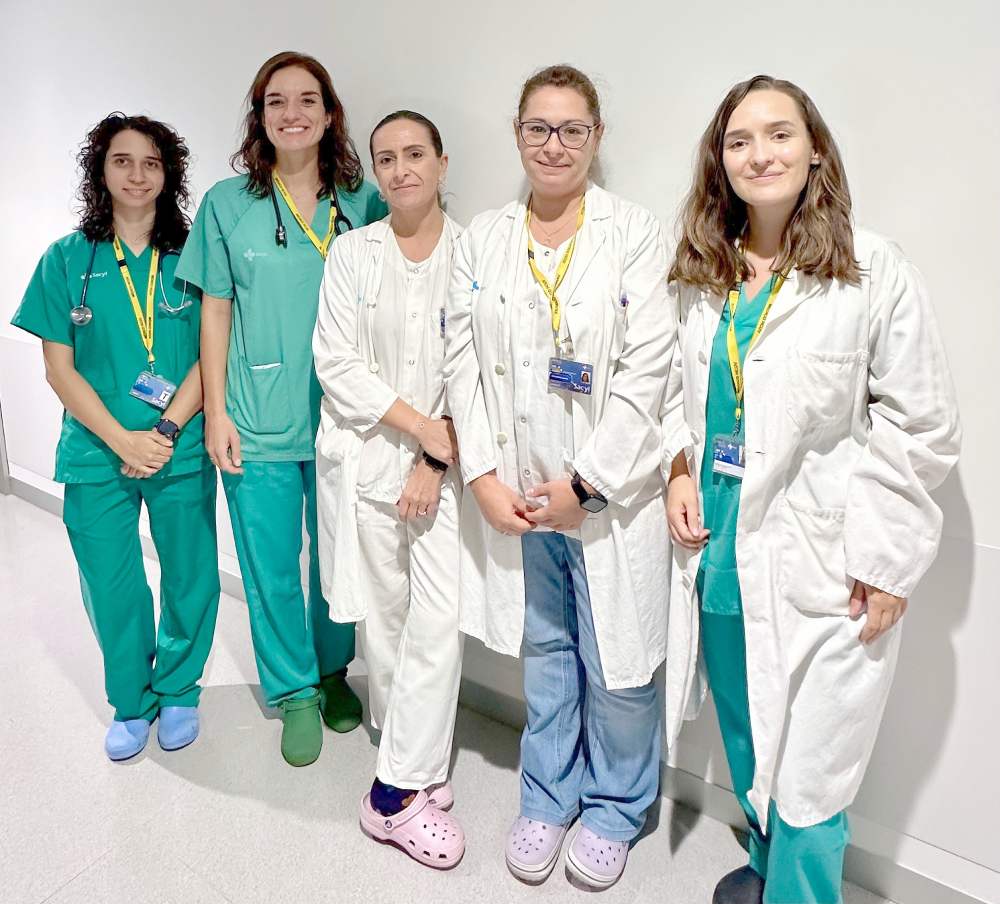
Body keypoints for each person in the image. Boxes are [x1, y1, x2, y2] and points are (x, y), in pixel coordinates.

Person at [662, 75, 961, 904]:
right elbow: (672, 395)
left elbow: (922, 424)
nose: (760, 154)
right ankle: (766, 871)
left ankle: (800, 892)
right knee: (749, 735)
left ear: (815, 149)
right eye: (739, 140)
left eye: (779, 133)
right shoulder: (701, 272)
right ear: (719, 161)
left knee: (813, 770)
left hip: (828, 564)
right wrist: (678, 469)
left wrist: (887, 562)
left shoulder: (871, 269)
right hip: (719, 553)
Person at [444, 64, 674, 889]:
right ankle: (547, 796)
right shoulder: (483, 237)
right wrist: (481, 477)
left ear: (596, 137)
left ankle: (615, 807)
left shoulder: (634, 233)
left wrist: (589, 484)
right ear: (517, 134)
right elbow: (460, 362)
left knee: (617, 658)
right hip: (520, 494)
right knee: (545, 652)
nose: (554, 145)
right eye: (538, 128)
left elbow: (651, 370)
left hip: (605, 499)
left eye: (572, 129)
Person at [176, 51, 387, 767]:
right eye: (276, 101)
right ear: (260, 117)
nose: (291, 113)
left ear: (329, 114)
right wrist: (215, 413)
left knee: (337, 555)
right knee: (269, 562)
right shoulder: (226, 204)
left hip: (345, 417)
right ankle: (293, 689)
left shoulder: (364, 202)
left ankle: (331, 671)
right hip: (255, 413)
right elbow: (215, 310)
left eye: (306, 100)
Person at [11, 113, 220, 761]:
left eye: (151, 163)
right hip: (96, 450)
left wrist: (163, 428)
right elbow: (59, 368)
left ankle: (179, 689)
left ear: (169, 174)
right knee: (110, 581)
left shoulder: (193, 257)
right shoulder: (67, 259)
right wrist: (123, 439)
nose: (137, 175)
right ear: (100, 171)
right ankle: (132, 700)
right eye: (122, 161)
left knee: (190, 573)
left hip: (178, 444)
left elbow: (210, 354)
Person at [313, 109, 465, 868]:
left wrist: (433, 457)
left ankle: (393, 791)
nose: (401, 169)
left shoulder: (474, 253)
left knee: (439, 620)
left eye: (414, 154)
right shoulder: (352, 252)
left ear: (442, 162)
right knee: (384, 621)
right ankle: (415, 763)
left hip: (443, 470)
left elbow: (482, 368)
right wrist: (419, 428)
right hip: (368, 458)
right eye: (386, 158)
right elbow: (335, 362)